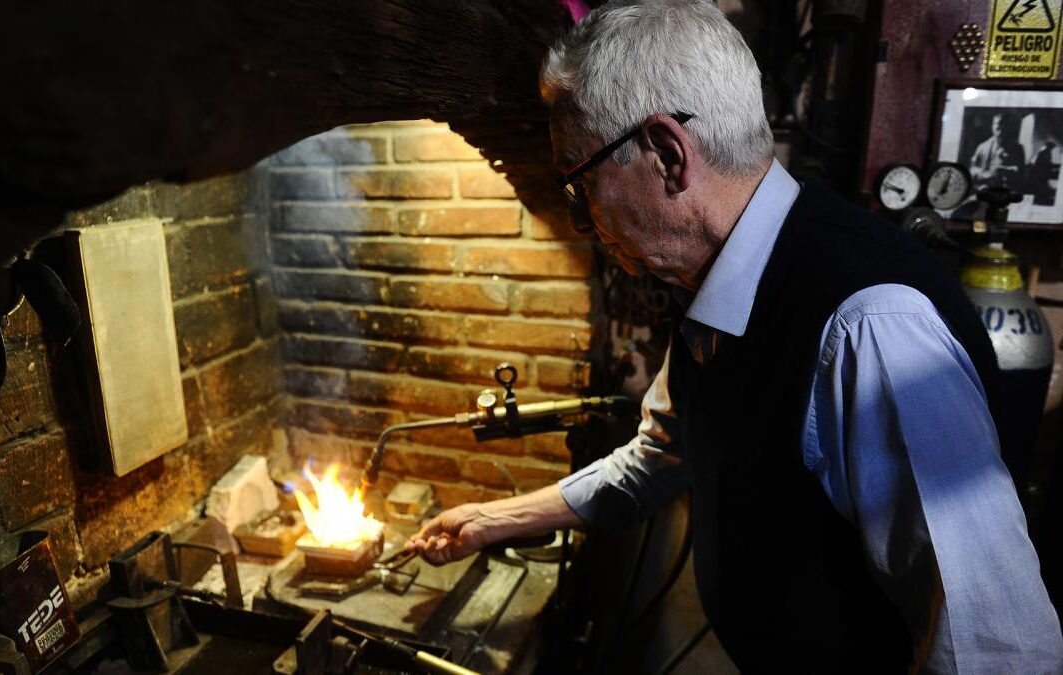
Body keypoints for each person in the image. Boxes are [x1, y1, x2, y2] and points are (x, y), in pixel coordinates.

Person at [405, 1, 1063, 670]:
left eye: (581, 181)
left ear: (665, 154)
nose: (585, 218)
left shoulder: (870, 326)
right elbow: (661, 454)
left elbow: (995, 642)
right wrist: (494, 518)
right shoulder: (708, 287)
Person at [969, 112, 1026, 192]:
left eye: (1004, 124)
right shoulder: (982, 147)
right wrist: (985, 175)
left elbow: (1021, 172)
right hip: (986, 190)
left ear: (1009, 127)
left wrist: (1005, 170)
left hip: (1007, 191)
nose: (1000, 127)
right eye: (997, 124)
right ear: (992, 127)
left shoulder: (1017, 149)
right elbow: (972, 169)